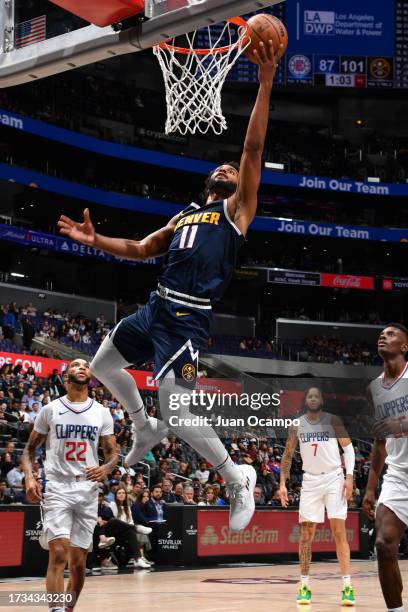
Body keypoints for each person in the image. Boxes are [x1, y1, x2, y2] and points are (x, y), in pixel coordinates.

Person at [58, 41, 281, 533]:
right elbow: (140, 249)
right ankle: (142, 424)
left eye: (232, 170)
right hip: (157, 306)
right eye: (220, 169)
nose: (228, 169)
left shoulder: (236, 211)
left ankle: (236, 478)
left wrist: (265, 80)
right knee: (102, 365)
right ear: (207, 181)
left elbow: (252, 149)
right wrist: (96, 240)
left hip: (187, 318)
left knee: (179, 415)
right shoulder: (185, 215)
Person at [22, 359, 118, 612]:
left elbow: (113, 454)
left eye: (86, 365)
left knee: (78, 563)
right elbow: (29, 450)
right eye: (76, 365)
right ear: (66, 377)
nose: (82, 367)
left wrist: (106, 468)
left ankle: (68, 608)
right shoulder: (51, 409)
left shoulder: (102, 412)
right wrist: (30, 477)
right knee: (58, 553)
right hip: (57, 486)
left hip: (87, 489)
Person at [279, 386, 356, 606]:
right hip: (311, 481)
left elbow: (348, 449)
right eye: (310, 396)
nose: (313, 398)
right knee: (306, 535)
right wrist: (282, 483)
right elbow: (287, 456)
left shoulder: (333, 421)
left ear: (321, 400)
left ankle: (347, 587)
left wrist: (349, 478)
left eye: (316, 396)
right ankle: (304, 586)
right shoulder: (297, 425)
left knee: (339, 531)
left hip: (334, 478)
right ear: (306, 400)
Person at [363, 324, 408, 612]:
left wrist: (398, 425)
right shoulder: (375, 388)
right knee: (383, 543)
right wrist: (369, 488)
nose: (384, 336)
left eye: (392, 334)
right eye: (382, 334)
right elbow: (379, 442)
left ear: (405, 346)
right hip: (399, 475)